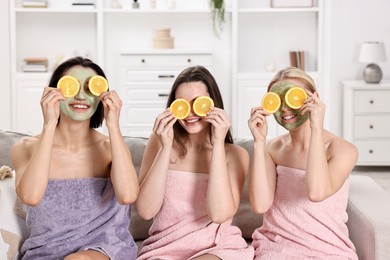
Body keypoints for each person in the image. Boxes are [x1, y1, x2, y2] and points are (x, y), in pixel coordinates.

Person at [11, 56, 139, 260]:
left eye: (90, 89)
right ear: (54, 92)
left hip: (104, 249)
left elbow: (128, 195)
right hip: (44, 253)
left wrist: (113, 125)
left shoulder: (110, 147)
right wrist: (49, 125)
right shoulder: (25, 148)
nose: (81, 96)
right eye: (71, 87)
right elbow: (31, 197)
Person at [136, 66, 254, 260]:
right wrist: (165, 147)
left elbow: (219, 214)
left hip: (216, 248)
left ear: (214, 103)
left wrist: (217, 144)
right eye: (182, 104)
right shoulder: (158, 142)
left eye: (198, 103)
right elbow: (146, 210)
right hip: (165, 248)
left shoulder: (236, 155)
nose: (190, 113)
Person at [247, 66, 358, 259]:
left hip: (328, 250)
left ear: (314, 98)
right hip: (275, 249)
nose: (285, 108)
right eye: (277, 101)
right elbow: (260, 205)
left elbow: (316, 192)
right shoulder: (272, 149)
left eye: (293, 97)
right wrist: (258, 143)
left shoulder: (343, 150)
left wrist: (317, 128)